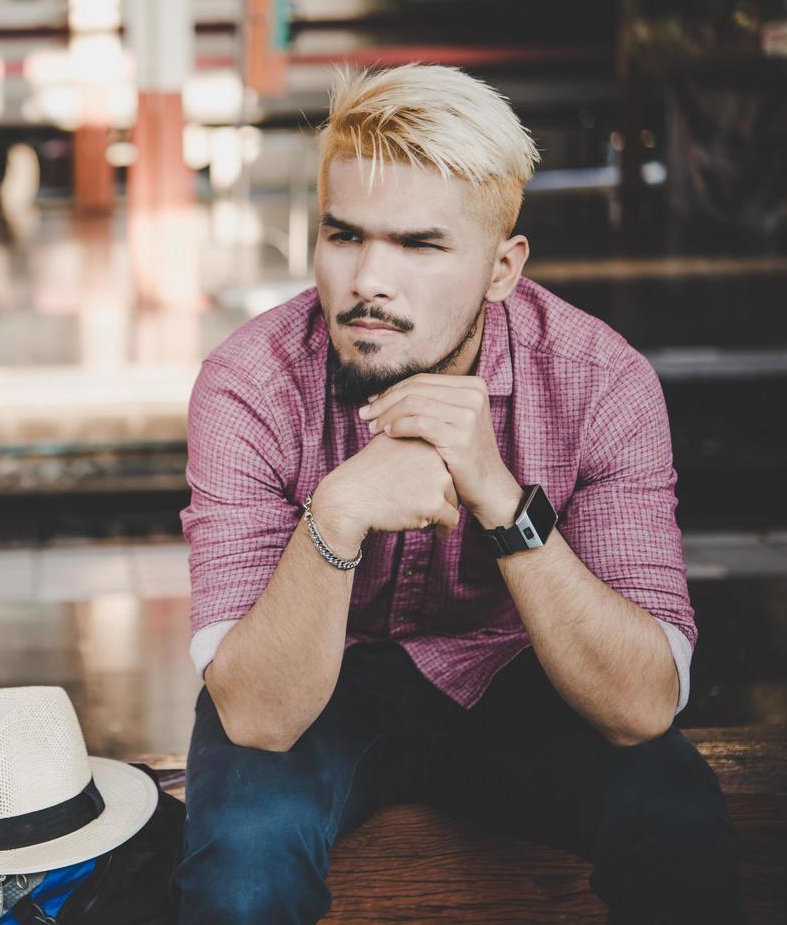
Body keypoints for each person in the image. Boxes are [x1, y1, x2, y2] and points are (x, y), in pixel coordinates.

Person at [175, 63, 746, 924]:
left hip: (520, 668)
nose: (369, 279)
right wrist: (333, 517)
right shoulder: (247, 384)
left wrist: (503, 503)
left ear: (501, 268)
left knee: (676, 818)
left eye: (419, 244)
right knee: (241, 863)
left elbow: (641, 708)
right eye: (343, 236)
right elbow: (256, 716)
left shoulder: (600, 382)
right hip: (322, 681)